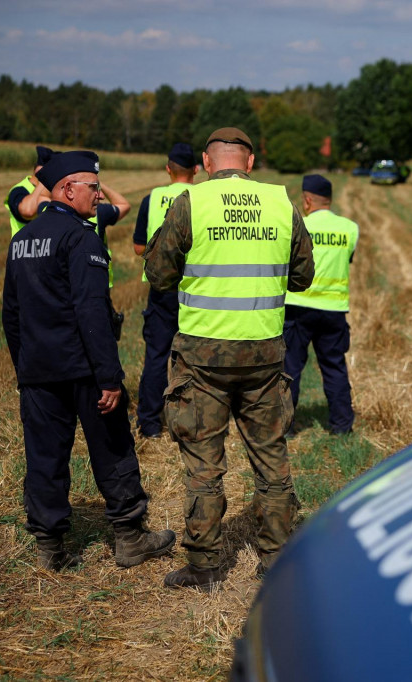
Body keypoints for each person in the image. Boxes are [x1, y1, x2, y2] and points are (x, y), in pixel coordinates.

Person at [144, 127, 314, 589]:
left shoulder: (191, 203)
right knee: (271, 460)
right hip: (264, 355)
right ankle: (277, 561)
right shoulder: (281, 204)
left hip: (202, 358)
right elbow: (303, 278)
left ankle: (204, 566)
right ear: (251, 162)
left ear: (207, 162)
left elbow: (157, 274)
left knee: (204, 465)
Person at [1, 150, 176, 572]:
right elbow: (91, 311)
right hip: (84, 369)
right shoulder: (81, 237)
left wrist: (24, 366)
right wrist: (110, 377)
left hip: (38, 370)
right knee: (113, 449)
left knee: (44, 457)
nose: (99, 195)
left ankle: (50, 550)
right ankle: (130, 538)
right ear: (67, 189)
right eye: (93, 187)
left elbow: (11, 313)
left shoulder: (22, 240)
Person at [284, 174, 358, 436]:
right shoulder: (350, 228)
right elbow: (347, 259)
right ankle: (341, 426)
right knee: (334, 367)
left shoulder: (296, 226)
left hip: (298, 307)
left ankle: (287, 427)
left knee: (290, 368)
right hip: (334, 310)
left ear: (307, 199)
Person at [132, 142, 197, 438]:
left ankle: (149, 423)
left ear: (167, 169)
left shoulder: (152, 197)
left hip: (161, 289)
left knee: (157, 356)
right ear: (196, 170)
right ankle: (191, 422)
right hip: (196, 288)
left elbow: (138, 247)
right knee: (194, 356)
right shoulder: (203, 198)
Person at [4, 145, 54, 236]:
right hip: (24, 249)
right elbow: (28, 211)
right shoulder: (19, 190)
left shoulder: (55, 190)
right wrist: (45, 179)